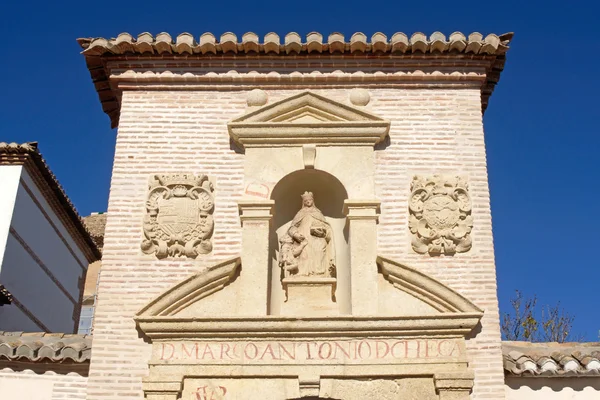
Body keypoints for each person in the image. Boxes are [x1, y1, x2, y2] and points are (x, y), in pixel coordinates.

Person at [280, 191, 335, 277]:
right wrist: (296, 235)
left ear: (313, 201)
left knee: (319, 251)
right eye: (306, 200)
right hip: (303, 238)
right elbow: (292, 228)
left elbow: (326, 227)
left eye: (310, 200)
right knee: (304, 255)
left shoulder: (318, 213)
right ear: (303, 202)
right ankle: (302, 273)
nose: (308, 202)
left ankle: (319, 274)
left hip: (317, 239)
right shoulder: (300, 213)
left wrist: (322, 232)